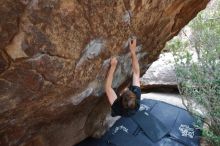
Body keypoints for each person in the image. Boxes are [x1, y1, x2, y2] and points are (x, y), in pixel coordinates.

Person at [105, 39, 141, 117]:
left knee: (114, 111)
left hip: (121, 111)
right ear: (133, 95)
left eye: (125, 91)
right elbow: (136, 72)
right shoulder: (137, 100)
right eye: (127, 90)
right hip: (131, 110)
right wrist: (133, 52)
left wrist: (113, 66)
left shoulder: (117, 107)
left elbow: (108, 88)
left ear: (120, 96)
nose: (126, 89)